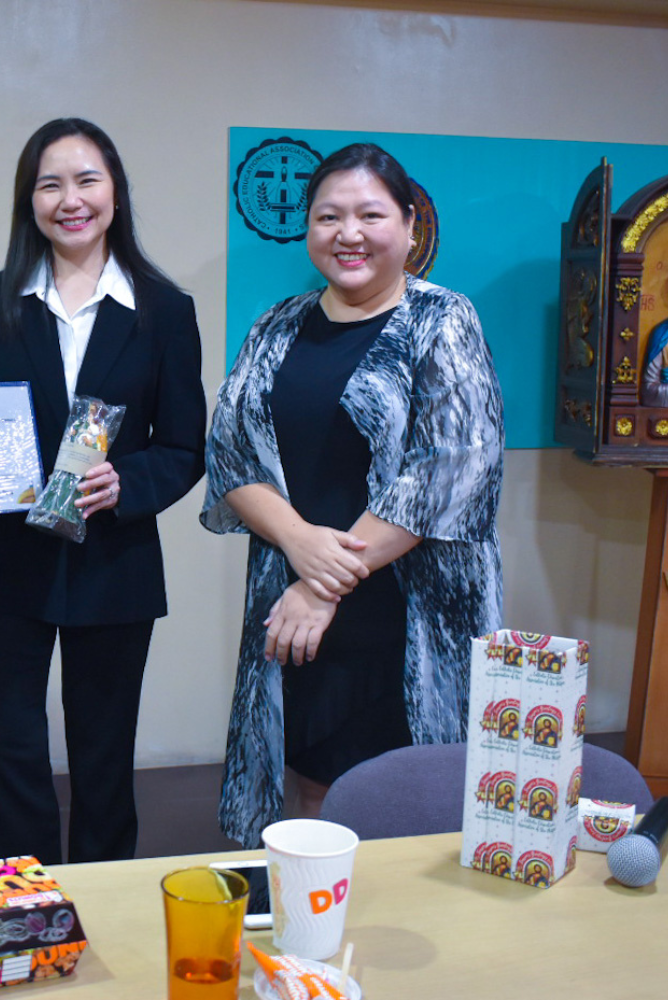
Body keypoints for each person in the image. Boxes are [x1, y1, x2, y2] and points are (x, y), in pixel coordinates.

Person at [0, 118, 206, 864]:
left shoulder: (164, 310)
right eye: (50, 184)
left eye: (86, 179)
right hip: (6, 568)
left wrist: (129, 482)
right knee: (14, 758)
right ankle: (24, 914)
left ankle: (105, 908)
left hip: (114, 567)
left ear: (115, 193)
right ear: (30, 201)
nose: (70, 199)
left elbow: (186, 447)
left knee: (103, 759)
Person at [201, 142, 503, 847]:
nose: (349, 233)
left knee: (405, 791)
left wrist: (326, 580)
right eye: (329, 216)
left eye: (371, 214)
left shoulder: (443, 319)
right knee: (309, 778)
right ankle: (317, 933)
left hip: (407, 606)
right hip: (293, 598)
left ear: (408, 225)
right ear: (308, 230)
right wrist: (303, 549)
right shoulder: (276, 325)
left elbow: (451, 470)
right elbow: (230, 452)